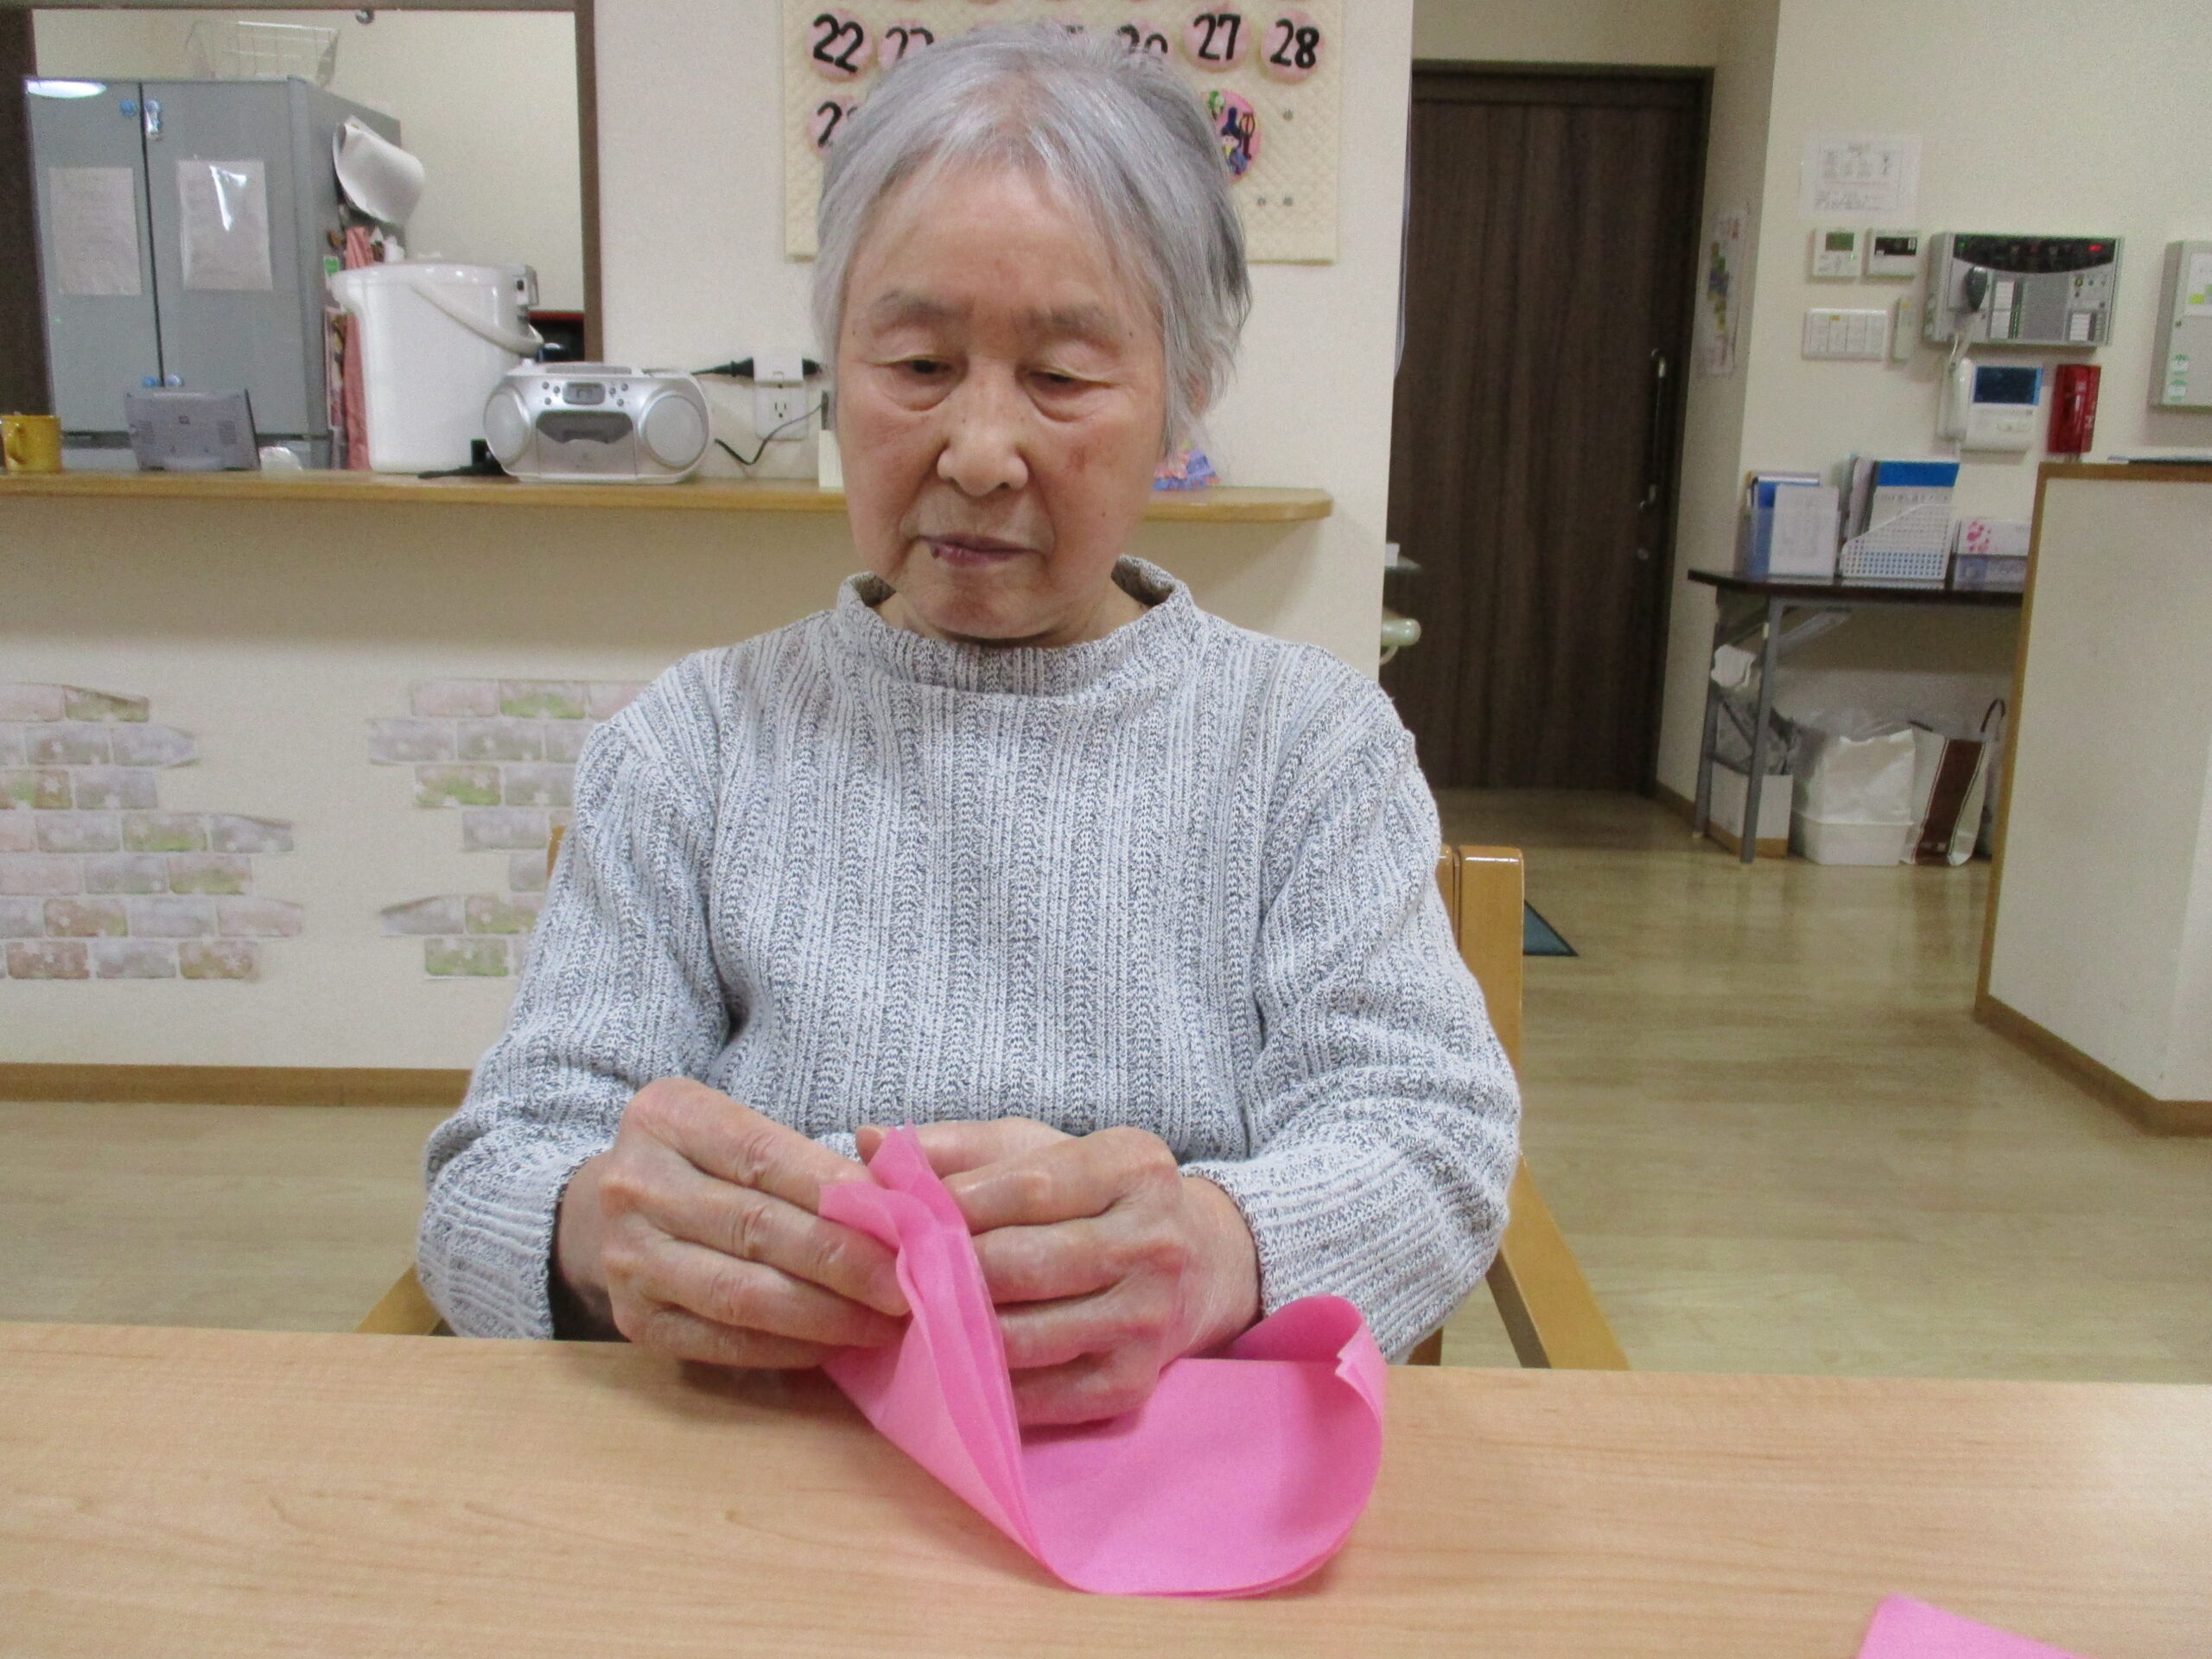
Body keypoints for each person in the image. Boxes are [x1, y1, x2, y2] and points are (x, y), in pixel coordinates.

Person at [417, 26, 1518, 1426]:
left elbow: (1429, 1138)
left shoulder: (1308, 749)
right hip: (762, 1455)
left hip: (1163, 1461)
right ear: (838, 366)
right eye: (919, 363)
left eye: (1062, 378)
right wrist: (594, 1228)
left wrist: (1221, 1248)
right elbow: (494, 1171)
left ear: (1182, 396)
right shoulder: (692, 746)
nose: (981, 451)